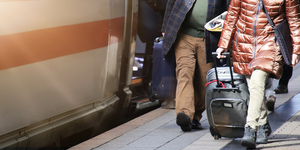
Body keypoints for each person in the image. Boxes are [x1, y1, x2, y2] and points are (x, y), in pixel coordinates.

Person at [216, 0, 300, 148]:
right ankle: (263, 126)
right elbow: (232, 15)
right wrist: (223, 44)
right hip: (244, 43)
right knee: (255, 89)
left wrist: (296, 50)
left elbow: (294, 20)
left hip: (270, 43)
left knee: (256, 82)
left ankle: (250, 128)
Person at [161, 0, 214, 131]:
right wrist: (165, 28)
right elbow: (171, 4)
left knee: (204, 79)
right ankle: (184, 113)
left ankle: (196, 116)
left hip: (207, 37)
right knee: (184, 72)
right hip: (185, 36)